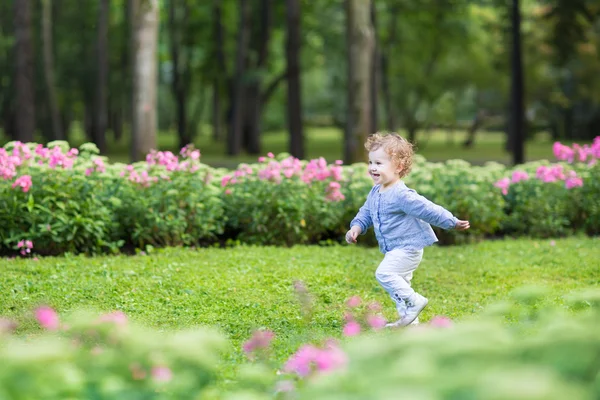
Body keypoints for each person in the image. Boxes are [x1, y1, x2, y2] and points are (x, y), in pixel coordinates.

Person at [346, 132, 470, 327]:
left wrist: (451, 221)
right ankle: (410, 321)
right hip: (394, 249)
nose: (372, 168)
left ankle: (415, 301)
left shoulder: (402, 194)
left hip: (408, 248)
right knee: (400, 284)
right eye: (370, 163)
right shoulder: (376, 192)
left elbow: (427, 209)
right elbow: (366, 212)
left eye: (379, 163)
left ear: (398, 167)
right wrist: (356, 227)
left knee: (385, 274)